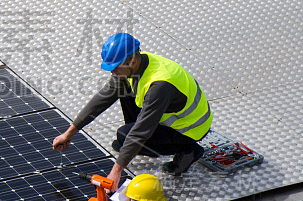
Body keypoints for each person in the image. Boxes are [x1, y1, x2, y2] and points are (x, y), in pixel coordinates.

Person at [53, 32, 212, 191]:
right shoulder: (136, 65)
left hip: (189, 129)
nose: (112, 72)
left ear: (132, 61)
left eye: (115, 68)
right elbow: (102, 99)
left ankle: (188, 151)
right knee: (122, 90)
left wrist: (116, 171)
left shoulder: (160, 84)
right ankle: (129, 145)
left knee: (125, 136)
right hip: (168, 113)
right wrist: (70, 132)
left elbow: (142, 131)